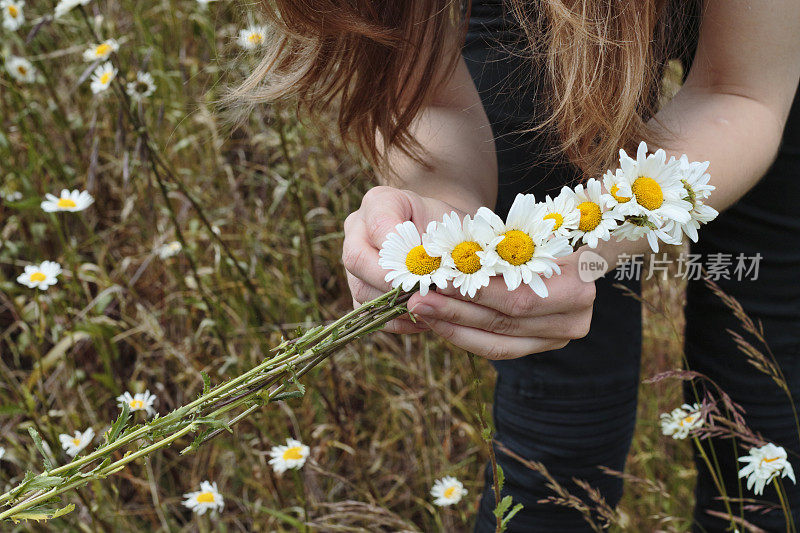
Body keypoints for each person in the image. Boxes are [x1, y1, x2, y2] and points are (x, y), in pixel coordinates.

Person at [234, 0, 800, 530]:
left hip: (771, 40)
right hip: (534, 26)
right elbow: (430, 96)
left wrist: (590, 237)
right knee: (561, 412)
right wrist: (443, 206)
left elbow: (742, 91)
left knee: (767, 383)